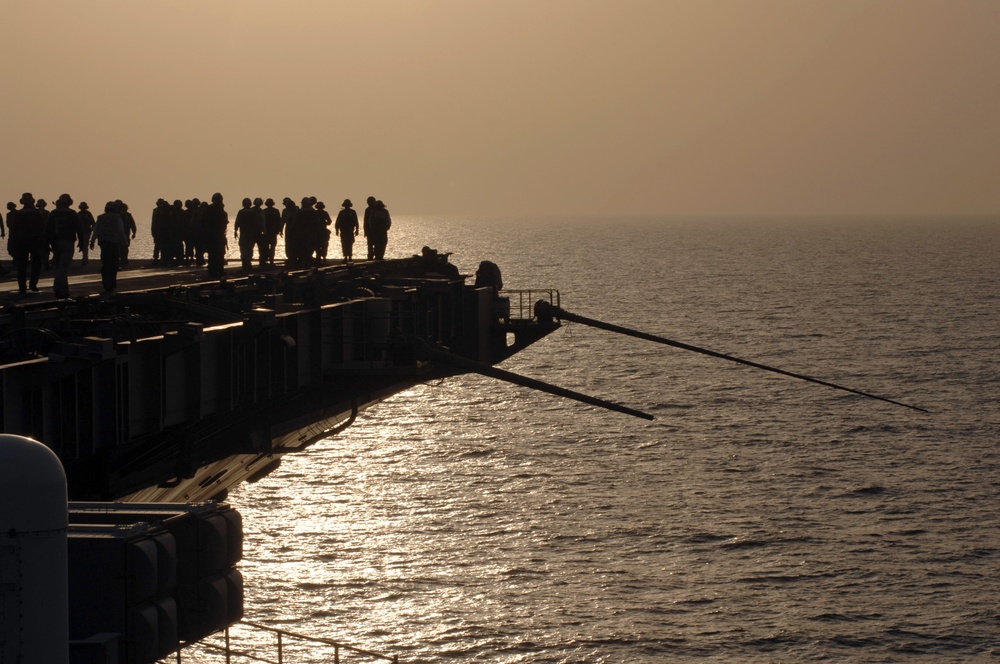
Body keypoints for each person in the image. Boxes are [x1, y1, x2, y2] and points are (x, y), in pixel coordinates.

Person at [8, 193, 47, 294]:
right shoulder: (37, 214)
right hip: (35, 242)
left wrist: (12, 244)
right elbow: (43, 229)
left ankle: (22, 287)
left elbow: (13, 231)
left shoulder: (18, 215)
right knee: (36, 263)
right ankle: (33, 284)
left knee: (22, 266)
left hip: (21, 243)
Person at [45, 194, 81, 298]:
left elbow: (47, 229)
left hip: (55, 242)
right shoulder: (72, 213)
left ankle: (65, 289)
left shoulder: (53, 213)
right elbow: (79, 228)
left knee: (59, 266)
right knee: (64, 266)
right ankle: (58, 287)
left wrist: (46, 243)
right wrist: (82, 242)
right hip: (68, 242)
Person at [91, 201, 127, 295]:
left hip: (104, 243)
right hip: (114, 243)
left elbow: (96, 230)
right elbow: (121, 231)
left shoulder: (100, 217)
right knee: (114, 264)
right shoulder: (117, 218)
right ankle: (111, 284)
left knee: (106, 264)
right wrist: (124, 242)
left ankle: (106, 284)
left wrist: (92, 241)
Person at [233, 197, 263, 269]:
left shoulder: (241, 212)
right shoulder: (253, 212)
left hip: (243, 233)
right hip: (251, 233)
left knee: (243, 248)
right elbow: (257, 222)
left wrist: (235, 231)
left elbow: (237, 222)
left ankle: (244, 261)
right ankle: (248, 262)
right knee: (249, 248)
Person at [205, 192, 228, 278]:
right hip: (216, 235)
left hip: (213, 236)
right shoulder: (220, 211)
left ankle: (214, 271)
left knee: (214, 255)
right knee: (218, 254)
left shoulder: (209, 210)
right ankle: (218, 271)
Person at [262, 198, 282, 265]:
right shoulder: (275, 211)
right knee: (271, 247)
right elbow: (279, 221)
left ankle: (268, 259)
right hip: (271, 232)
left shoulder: (264, 211)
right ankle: (271, 260)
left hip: (268, 232)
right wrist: (279, 230)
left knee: (267, 247)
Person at [118, 201, 136, 266]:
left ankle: (124, 259)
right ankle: (122, 259)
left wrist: (134, 232)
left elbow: (132, 224)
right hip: (120, 234)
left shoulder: (128, 215)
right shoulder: (118, 215)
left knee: (125, 247)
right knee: (121, 247)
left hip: (126, 233)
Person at [77, 201, 95, 266]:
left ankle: (84, 259)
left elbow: (93, 223)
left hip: (85, 231)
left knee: (84, 245)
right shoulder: (83, 214)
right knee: (84, 245)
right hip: (82, 232)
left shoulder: (81, 214)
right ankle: (85, 259)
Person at [363, 196, 377, 260]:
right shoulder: (367, 210)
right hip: (370, 230)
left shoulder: (376, 210)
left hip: (376, 230)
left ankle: (375, 255)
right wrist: (365, 230)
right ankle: (370, 256)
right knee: (370, 244)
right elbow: (365, 221)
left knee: (376, 244)